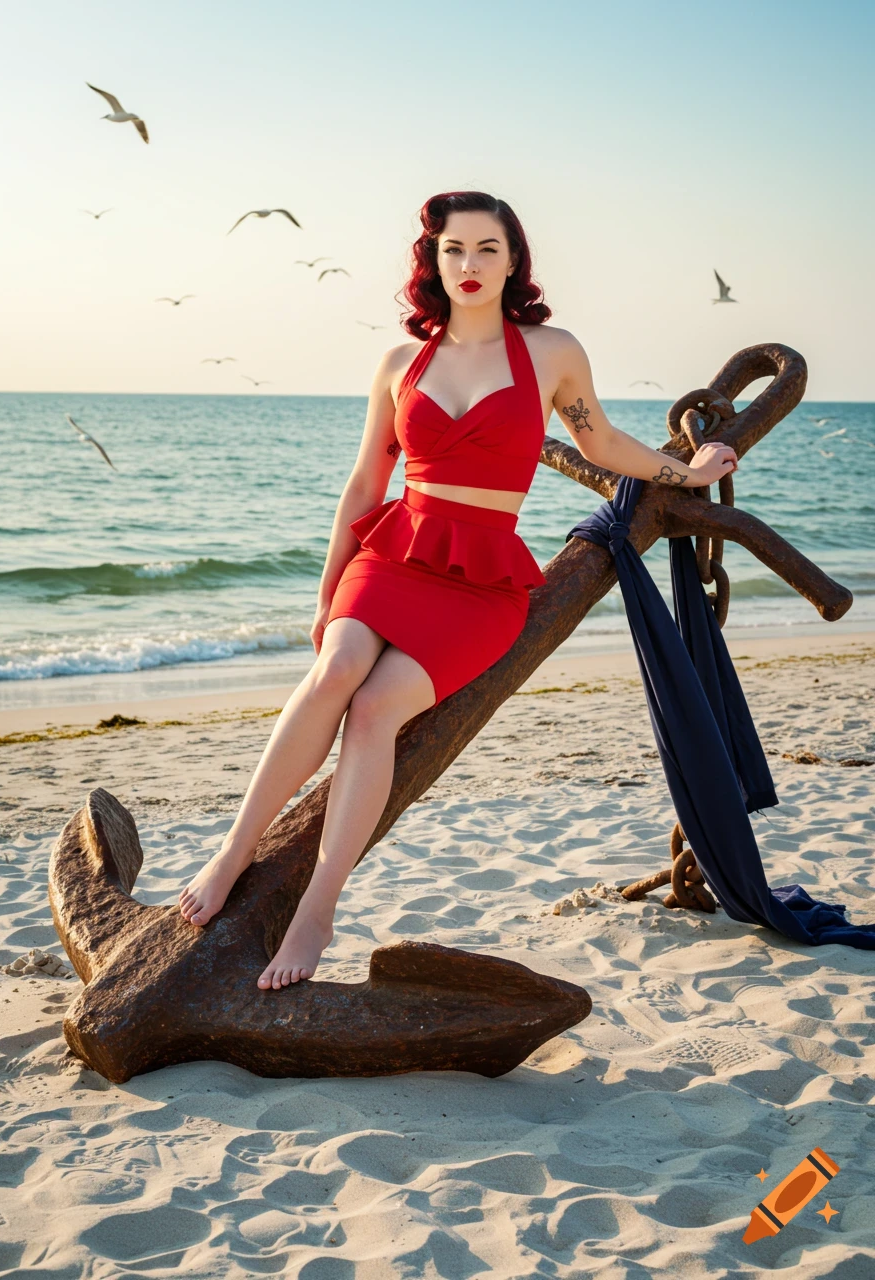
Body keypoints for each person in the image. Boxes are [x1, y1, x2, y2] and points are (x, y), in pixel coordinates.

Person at [177, 190, 738, 989]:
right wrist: (327, 588)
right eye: (453, 251)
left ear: (514, 261)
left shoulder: (552, 352)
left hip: (482, 580)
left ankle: (317, 909)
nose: (469, 266)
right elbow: (368, 478)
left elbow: (602, 440)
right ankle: (231, 854)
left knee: (376, 711)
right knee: (336, 671)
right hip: (395, 551)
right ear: (431, 262)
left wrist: (690, 471)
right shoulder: (401, 363)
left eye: (486, 250)